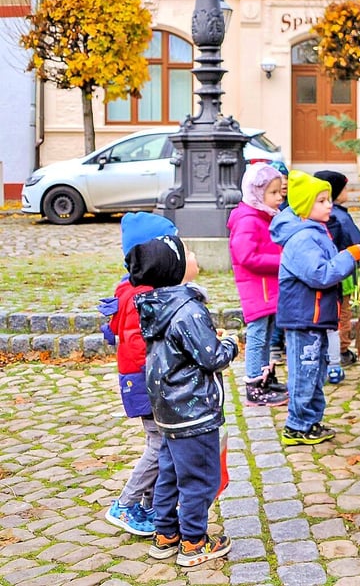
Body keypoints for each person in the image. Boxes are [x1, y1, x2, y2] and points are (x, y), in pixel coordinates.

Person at [129, 235, 238, 567]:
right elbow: (212, 357)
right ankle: (193, 542)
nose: (194, 255)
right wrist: (230, 343)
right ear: (175, 268)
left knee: (171, 474)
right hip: (193, 411)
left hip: (168, 410)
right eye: (187, 252)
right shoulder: (188, 310)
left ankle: (165, 535)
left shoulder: (156, 305)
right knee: (200, 479)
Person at [270, 170, 360, 446]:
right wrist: (349, 256)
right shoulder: (302, 239)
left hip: (316, 316)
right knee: (305, 371)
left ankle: (310, 420)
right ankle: (296, 425)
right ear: (304, 206)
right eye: (322, 201)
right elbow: (320, 274)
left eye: (329, 199)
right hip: (303, 318)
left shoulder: (315, 231)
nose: (329, 205)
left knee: (316, 370)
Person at [100, 212, 178, 537]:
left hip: (144, 380)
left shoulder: (137, 289)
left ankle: (150, 504)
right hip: (145, 381)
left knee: (159, 442)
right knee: (159, 445)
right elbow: (137, 346)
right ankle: (125, 503)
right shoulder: (141, 297)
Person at [227, 163, 289, 407]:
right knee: (257, 335)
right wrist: (282, 261)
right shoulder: (248, 220)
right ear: (257, 193)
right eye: (273, 193)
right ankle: (254, 384)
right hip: (258, 288)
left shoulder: (264, 217)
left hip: (268, 287)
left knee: (267, 333)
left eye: (280, 192)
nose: (279, 198)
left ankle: (265, 377)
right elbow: (246, 256)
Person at [314, 170, 360, 382]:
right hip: (343, 276)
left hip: (333, 276)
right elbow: (356, 242)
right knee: (342, 315)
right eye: (344, 189)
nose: (348, 192)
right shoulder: (340, 218)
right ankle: (341, 352)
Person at [267, 160, 290, 363]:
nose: (284, 182)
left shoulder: (292, 204)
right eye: (279, 178)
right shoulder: (267, 206)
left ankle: (282, 341)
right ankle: (274, 343)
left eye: (286, 178)